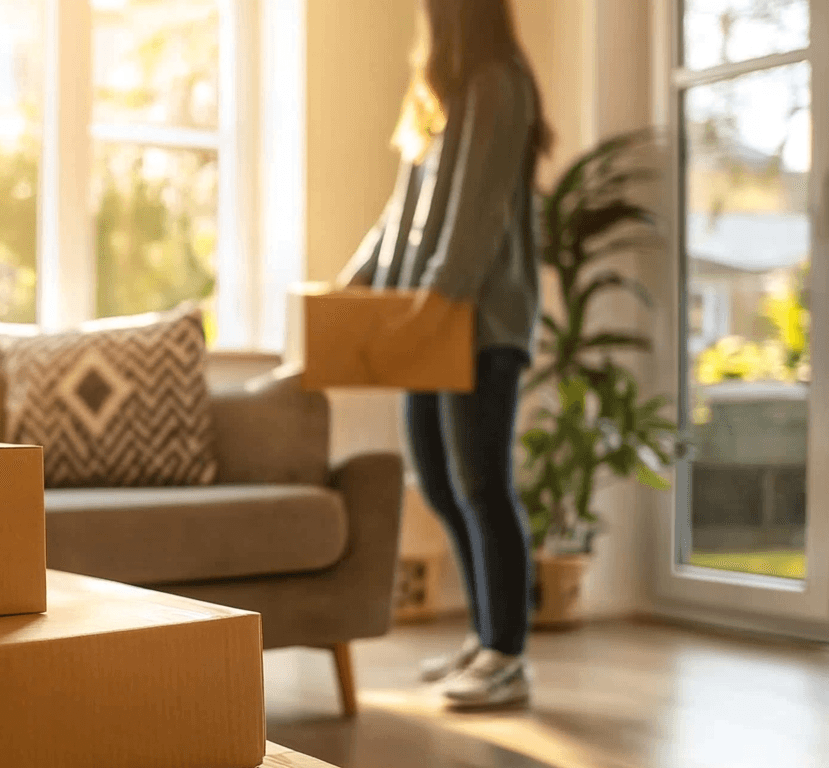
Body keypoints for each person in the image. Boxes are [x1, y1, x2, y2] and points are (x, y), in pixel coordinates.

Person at [335, 0, 552, 710]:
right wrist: (356, 284)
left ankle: (508, 655)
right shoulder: (440, 97)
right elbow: (404, 210)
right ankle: (487, 634)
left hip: (478, 321)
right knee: (437, 481)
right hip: (426, 318)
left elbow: (476, 217)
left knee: (483, 484)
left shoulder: (497, 84)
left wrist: (430, 304)